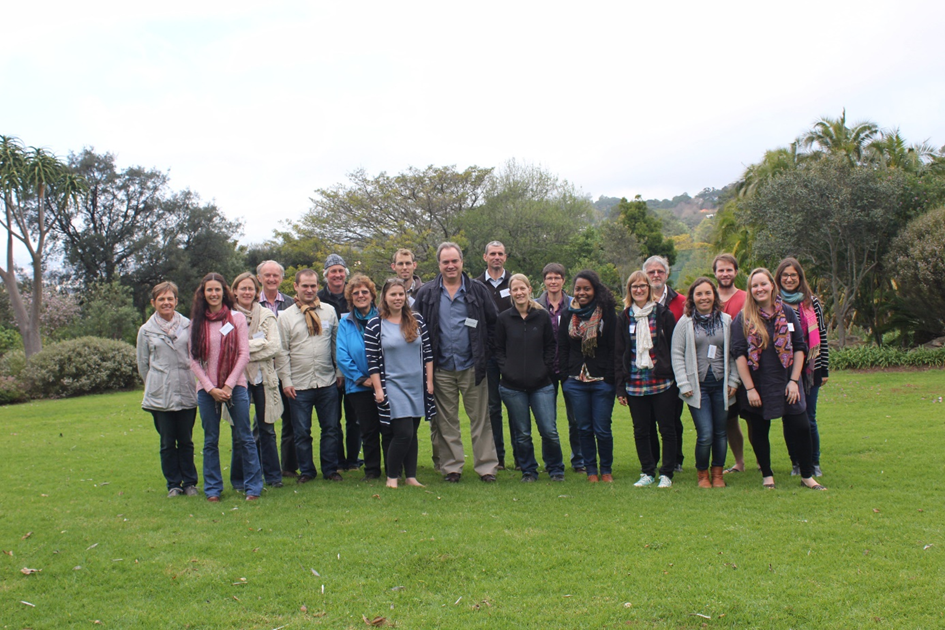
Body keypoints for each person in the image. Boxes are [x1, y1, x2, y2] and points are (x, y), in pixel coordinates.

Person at [731, 268, 826, 491]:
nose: (759, 289)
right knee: (760, 430)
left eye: (763, 284)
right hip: (758, 384)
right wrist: (750, 388)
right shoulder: (743, 318)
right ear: (750, 290)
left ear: (772, 285)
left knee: (801, 427)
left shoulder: (788, 313)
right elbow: (739, 354)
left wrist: (794, 381)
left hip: (787, 382)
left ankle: (807, 475)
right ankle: (767, 475)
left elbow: (800, 348)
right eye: (755, 286)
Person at [413, 241, 500, 482]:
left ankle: (487, 468)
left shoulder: (478, 291)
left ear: (462, 262)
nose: (450, 266)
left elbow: (493, 325)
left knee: (481, 420)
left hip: (472, 367)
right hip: (440, 368)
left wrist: (486, 354)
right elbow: (415, 327)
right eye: (445, 262)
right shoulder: (427, 293)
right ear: (439, 264)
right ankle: (452, 468)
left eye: (454, 261)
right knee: (446, 421)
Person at [189, 273, 262, 502]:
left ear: (224, 292)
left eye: (217, 290)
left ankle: (253, 487)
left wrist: (229, 385)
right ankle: (212, 489)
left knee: (245, 437)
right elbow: (193, 360)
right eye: (209, 290)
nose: (213, 294)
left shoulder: (236, 318)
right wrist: (211, 388)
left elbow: (244, 354)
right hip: (207, 390)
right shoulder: (197, 322)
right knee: (211, 440)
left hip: (236, 387)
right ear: (203, 293)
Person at [275, 269, 344, 483]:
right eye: (305, 285)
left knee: (331, 429)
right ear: (295, 286)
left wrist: (339, 371)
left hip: (326, 381)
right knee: (302, 431)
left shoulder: (329, 311)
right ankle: (306, 471)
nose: (309, 289)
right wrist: (286, 380)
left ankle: (330, 469)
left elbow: (335, 344)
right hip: (299, 384)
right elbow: (282, 351)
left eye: (313, 286)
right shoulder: (285, 317)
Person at [366, 278, 435, 488]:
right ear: (384, 297)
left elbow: (428, 355)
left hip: (416, 384)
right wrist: (378, 389)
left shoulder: (417, 321)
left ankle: (411, 476)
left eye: (401, 294)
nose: (397, 298)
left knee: (412, 433)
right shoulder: (375, 325)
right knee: (402, 433)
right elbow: (373, 361)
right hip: (392, 386)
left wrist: (429, 382)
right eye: (393, 294)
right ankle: (392, 477)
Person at [671, 277, 740, 488]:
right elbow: (677, 354)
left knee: (720, 432)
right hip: (697, 388)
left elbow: (734, 353)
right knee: (706, 433)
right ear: (692, 297)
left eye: (708, 293)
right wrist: (684, 384)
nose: (704, 298)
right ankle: (702, 475)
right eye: (699, 294)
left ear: (714, 296)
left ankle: (718, 474)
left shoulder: (727, 321)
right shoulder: (685, 322)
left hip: (721, 385)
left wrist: (733, 381)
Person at [496, 274, 564, 482]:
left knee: (548, 430)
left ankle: (555, 469)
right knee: (523, 433)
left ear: (529, 289)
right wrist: (506, 370)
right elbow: (498, 349)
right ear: (511, 293)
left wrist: (544, 369)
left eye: (522, 288)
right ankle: (528, 470)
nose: (519, 293)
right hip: (512, 386)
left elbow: (551, 346)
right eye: (515, 289)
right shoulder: (504, 318)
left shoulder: (541, 316)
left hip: (541, 384)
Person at [136, 281, 199, 498]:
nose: (166, 303)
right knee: (166, 441)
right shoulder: (145, 331)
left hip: (186, 388)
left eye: (170, 299)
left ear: (176, 301)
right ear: (154, 302)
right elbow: (143, 364)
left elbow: (195, 357)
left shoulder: (188, 325)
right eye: (161, 299)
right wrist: (155, 383)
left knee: (186, 440)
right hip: (160, 394)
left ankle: (190, 482)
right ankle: (173, 483)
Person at [616, 271, 678, 488]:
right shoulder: (624, 317)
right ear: (629, 291)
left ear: (649, 289)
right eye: (634, 287)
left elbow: (673, 348)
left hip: (662, 382)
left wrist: (674, 376)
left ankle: (667, 473)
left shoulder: (663, 314)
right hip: (634, 382)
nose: (639, 290)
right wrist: (620, 388)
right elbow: (620, 352)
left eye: (643, 286)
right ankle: (647, 471)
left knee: (666, 428)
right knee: (641, 430)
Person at [559, 270, 617, 483]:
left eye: (586, 289)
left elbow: (613, 348)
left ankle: (607, 470)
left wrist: (610, 378)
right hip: (576, 381)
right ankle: (591, 470)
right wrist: (566, 377)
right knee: (583, 428)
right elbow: (563, 347)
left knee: (602, 429)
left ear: (595, 290)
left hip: (602, 381)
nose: (582, 293)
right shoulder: (568, 314)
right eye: (578, 289)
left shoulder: (607, 313)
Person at [774, 257, 829, 477]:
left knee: (809, 417)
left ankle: (813, 462)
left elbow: (821, 336)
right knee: (789, 417)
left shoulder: (811, 302)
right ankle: (796, 462)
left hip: (810, 370)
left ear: (800, 278)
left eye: (793, 275)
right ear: (779, 278)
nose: (789, 279)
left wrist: (823, 370)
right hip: (783, 371)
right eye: (785, 275)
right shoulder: (774, 302)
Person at [230, 272, 284, 489]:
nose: (246, 292)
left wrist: (243, 350)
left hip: (263, 378)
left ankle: (273, 477)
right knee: (239, 431)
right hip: (238, 379)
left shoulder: (266, 315)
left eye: (250, 288)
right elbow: (227, 349)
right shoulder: (228, 316)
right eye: (242, 288)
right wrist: (255, 346)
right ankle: (239, 479)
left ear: (256, 291)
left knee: (267, 429)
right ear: (235, 291)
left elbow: (274, 347)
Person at [336, 273, 390, 481]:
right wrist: (362, 379)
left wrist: (379, 380)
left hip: (386, 383)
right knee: (367, 430)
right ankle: (372, 470)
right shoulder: (345, 323)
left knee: (388, 428)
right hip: (358, 386)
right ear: (351, 297)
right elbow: (342, 355)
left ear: (372, 295)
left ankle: (392, 467)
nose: (361, 295)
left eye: (364, 292)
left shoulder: (384, 318)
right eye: (356, 293)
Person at [476, 240, 520, 471]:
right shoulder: (475, 285)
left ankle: (521, 458)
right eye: (492, 253)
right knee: (492, 407)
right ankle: (498, 458)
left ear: (505, 256)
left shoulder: (515, 282)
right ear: (485, 257)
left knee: (516, 406)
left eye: (500, 253)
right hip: (488, 355)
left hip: (514, 355)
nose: (496, 257)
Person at [537, 263, 584, 473]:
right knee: (548, 420)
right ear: (544, 281)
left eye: (557, 277)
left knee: (575, 418)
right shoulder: (536, 305)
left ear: (564, 281)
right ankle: (551, 461)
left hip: (570, 369)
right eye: (549, 278)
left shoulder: (575, 304)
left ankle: (579, 459)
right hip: (545, 369)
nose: (553, 281)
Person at [318, 254, 363, 473]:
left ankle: (353, 460)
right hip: (328, 368)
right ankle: (336, 460)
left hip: (354, 367)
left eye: (340, 271)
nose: (337, 275)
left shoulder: (354, 297)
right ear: (326, 275)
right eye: (333, 271)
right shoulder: (318, 299)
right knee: (332, 419)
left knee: (355, 418)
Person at [643, 255, 686, 472]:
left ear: (667, 274)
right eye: (651, 272)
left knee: (672, 419)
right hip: (645, 371)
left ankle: (675, 459)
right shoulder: (639, 301)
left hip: (673, 370)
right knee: (649, 421)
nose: (656, 275)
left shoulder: (681, 302)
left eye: (660, 271)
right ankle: (652, 460)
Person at [256, 260, 297, 479]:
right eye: (267, 275)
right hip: (261, 371)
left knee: (289, 421)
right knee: (262, 422)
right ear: (259, 278)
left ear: (281, 278)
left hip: (286, 370)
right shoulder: (252, 303)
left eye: (275, 275)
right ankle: (259, 465)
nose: (271, 279)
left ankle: (289, 467)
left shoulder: (291, 303)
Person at [712, 253, 750, 475]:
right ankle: (739, 462)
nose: (725, 274)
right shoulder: (708, 297)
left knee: (753, 419)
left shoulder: (746, 298)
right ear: (715, 273)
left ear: (736, 272)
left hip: (746, 366)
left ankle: (763, 462)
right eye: (720, 270)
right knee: (729, 420)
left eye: (729, 270)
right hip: (718, 369)